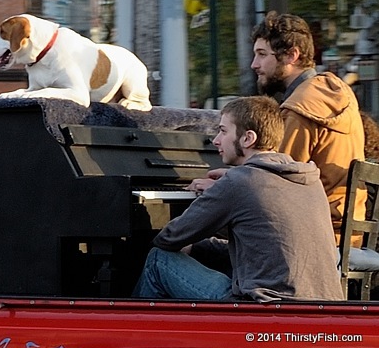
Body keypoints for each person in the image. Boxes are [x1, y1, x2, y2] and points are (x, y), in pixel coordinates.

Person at [132, 96, 343, 302]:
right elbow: (260, 244)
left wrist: (223, 191)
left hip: (264, 306)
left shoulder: (241, 181)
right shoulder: (308, 179)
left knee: (158, 259)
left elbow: (168, 238)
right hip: (323, 306)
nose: (215, 140)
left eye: (223, 131)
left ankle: (132, 333)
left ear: (248, 138)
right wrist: (198, 247)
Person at [249, 11, 367, 248]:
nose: (255, 64)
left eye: (262, 54)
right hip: (349, 234)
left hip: (316, 238)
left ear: (292, 55)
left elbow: (276, 183)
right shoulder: (338, 92)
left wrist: (226, 185)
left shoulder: (299, 109)